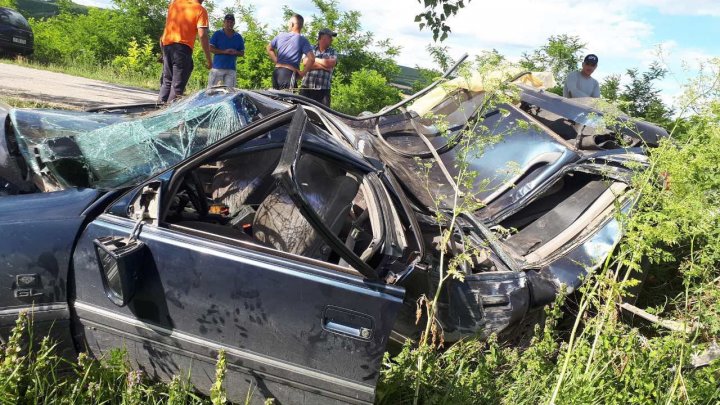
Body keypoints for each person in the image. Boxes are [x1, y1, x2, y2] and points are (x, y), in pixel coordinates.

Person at [158, 0, 212, 103]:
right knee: (176, 88)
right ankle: (169, 116)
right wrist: (209, 60)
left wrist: (163, 52)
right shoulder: (200, 10)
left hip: (167, 46)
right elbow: (202, 35)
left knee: (167, 83)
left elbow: (167, 29)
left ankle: (157, 112)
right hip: (182, 50)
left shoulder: (175, 4)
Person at [266, 14, 315, 90]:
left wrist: (276, 61)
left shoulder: (280, 35)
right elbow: (311, 58)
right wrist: (302, 73)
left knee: (276, 99)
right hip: (288, 74)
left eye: (289, 23)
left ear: (292, 24)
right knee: (288, 101)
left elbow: (269, 48)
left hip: (276, 72)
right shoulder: (303, 40)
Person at [299, 28, 338, 106]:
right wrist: (324, 66)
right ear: (323, 38)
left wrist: (313, 59)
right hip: (306, 88)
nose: (332, 39)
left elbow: (331, 63)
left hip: (323, 91)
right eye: (330, 37)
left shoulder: (333, 51)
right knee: (301, 112)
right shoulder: (310, 48)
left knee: (322, 115)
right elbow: (305, 62)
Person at [207, 14, 245, 88]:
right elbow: (211, 48)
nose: (229, 24)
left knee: (230, 93)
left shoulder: (238, 37)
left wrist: (235, 52)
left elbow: (242, 52)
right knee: (211, 91)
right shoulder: (217, 34)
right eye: (227, 22)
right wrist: (224, 51)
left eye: (231, 22)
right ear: (224, 22)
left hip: (231, 69)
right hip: (217, 68)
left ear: (234, 23)